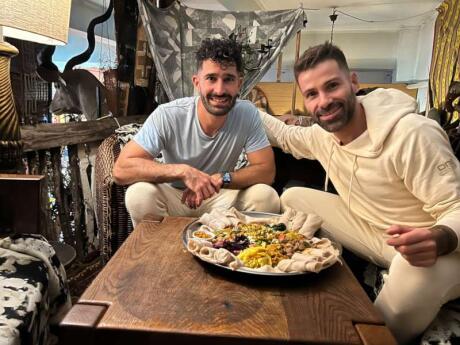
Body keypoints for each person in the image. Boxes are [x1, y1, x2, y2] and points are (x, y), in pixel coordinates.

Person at [259, 42, 460, 344]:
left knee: (403, 280)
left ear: (353, 82)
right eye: (312, 94)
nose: (323, 101)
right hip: (376, 234)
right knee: (292, 199)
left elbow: (456, 207)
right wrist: (237, 103)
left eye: (332, 86)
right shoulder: (322, 136)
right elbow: (286, 136)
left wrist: (439, 237)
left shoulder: (413, 134)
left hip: (434, 252)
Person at [113, 38, 280, 225]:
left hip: (220, 196)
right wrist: (183, 172)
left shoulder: (247, 113)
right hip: (175, 197)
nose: (219, 89)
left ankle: (239, 250)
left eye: (228, 80)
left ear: (239, 84)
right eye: (211, 78)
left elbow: (266, 171)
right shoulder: (168, 114)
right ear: (197, 82)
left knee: (266, 197)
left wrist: (220, 178)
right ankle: (156, 247)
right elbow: (121, 169)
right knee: (139, 195)